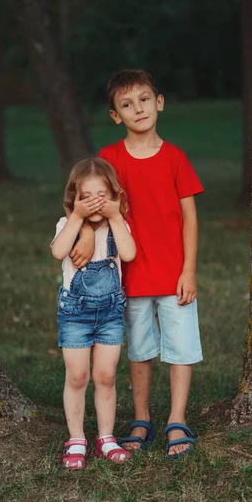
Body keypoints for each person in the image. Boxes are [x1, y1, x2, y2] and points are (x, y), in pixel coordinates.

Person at [72, 70, 204, 459]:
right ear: (116, 116)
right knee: (139, 349)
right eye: (127, 104)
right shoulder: (109, 159)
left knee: (180, 348)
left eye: (144, 100)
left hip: (174, 273)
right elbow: (91, 205)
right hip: (126, 277)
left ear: (159, 102)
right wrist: (83, 233)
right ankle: (142, 417)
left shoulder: (175, 157)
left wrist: (189, 270)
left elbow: (190, 219)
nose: (138, 109)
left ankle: (176, 419)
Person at [51, 157, 136, 470]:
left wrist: (115, 217)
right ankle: (76, 439)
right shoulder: (68, 225)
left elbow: (128, 253)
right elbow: (58, 251)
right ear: (75, 199)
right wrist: (77, 218)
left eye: (102, 195)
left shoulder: (118, 225)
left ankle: (106, 437)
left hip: (110, 315)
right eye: (86, 197)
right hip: (75, 314)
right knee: (77, 376)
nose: (94, 203)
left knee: (106, 376)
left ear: (114, 196)